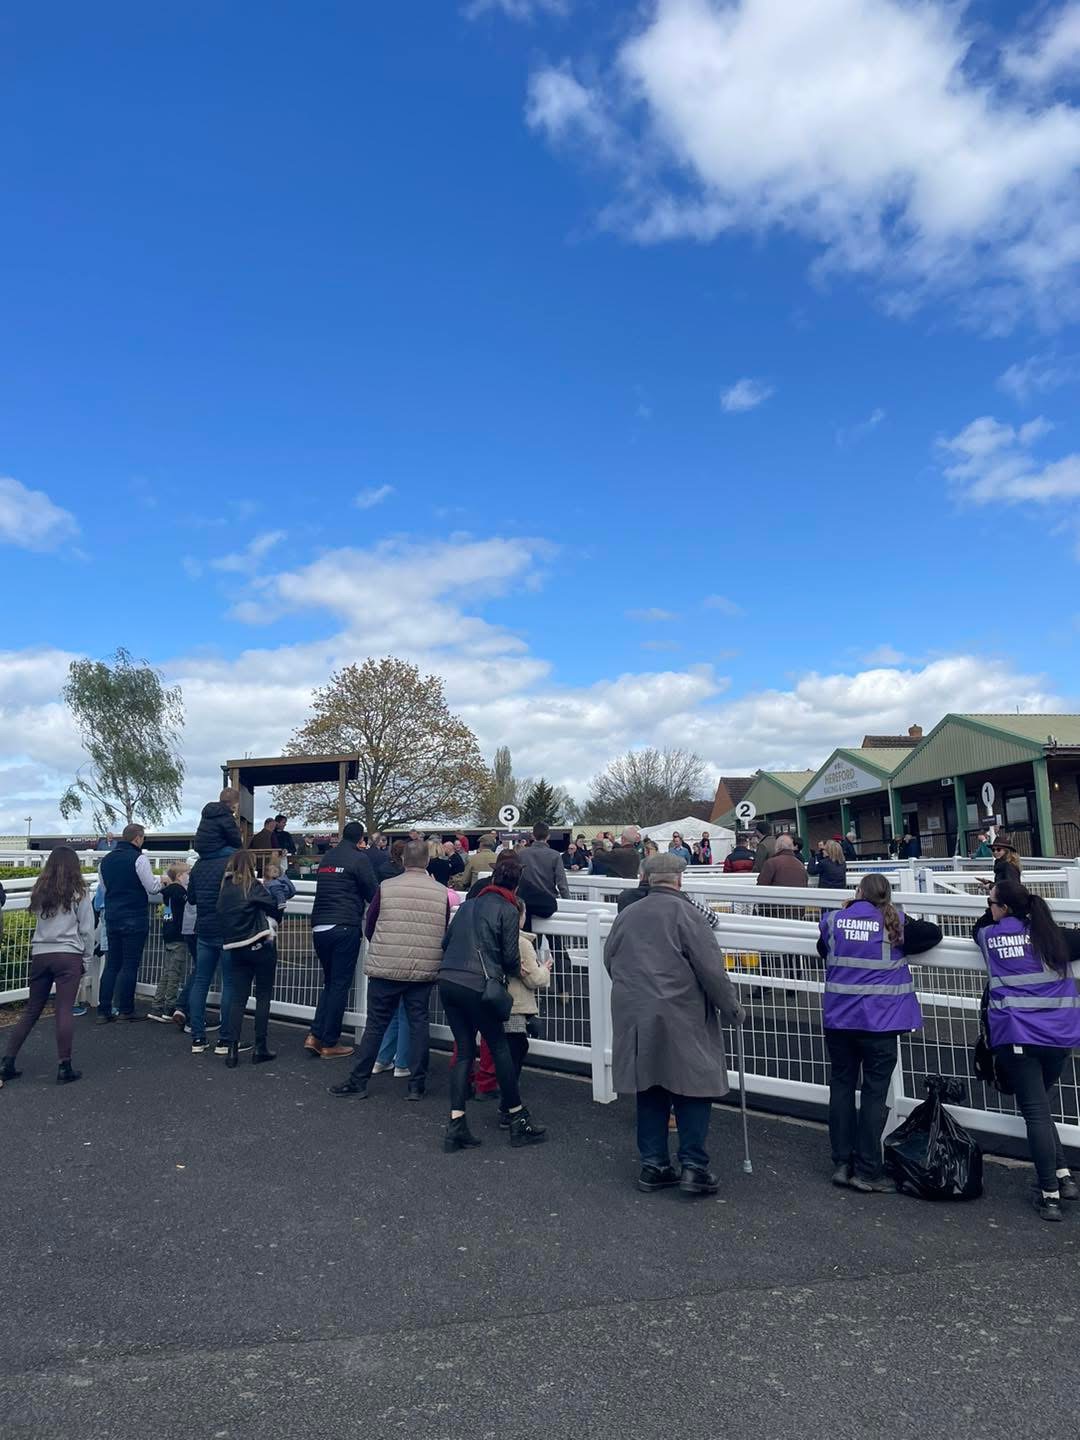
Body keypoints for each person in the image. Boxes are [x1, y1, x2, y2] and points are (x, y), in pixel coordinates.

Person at [604, 853, 744, 1196]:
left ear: (647, 879)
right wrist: (732, 1008)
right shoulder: (688, 914)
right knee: (693, 1086)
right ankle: (694, 1167)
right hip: (683, 1012)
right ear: (679, 880)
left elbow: (610, 959)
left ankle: (654, 1165)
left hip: (637, 1012)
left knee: (649, 1086)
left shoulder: (627, 915)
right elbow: (711, 969)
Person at [818, 874, 942, 1192]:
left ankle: (841, 1163)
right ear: (886, 897)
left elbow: (823, 949)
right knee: (874, 1094)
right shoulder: (895, 922)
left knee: (842, 1088)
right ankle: (868, 1168)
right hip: (881, 1022)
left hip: (839, 1020)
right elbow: (932, 935)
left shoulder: (833, 920)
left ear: (858, 893)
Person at [973, 880, 1080, 1220]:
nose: (989, 907)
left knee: (1034, 1111)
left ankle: (1049, 1193)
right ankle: (1063, 1177)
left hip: (1018, 1035)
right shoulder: (1051, 936)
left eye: (991, 902)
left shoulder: (990, 936)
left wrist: (993, 906)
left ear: (1002, 909)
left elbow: (981, 925)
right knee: (1041, 1106)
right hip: (1060, 1036)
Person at [438, 850, 546, 1151]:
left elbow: (446, 942)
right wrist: (519, 969)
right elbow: (511, 958)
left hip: (449, 979)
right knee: (499, 1046)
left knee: (462, 1053)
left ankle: (456, 1123)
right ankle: (516, 1119)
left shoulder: (469, 904)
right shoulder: (508, 909)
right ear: (517, 884)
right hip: (479, 985)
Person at [329, 840, 450, 1102]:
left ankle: (359, 1081)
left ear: (404, 861)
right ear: (427, 861)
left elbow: (370, 924)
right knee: (419, 1024)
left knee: (375, 1025)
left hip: (386, 965)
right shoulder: (441, 892)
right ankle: (416, 1085)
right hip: (423, 966)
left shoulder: (386, 887)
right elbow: (444, 931)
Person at [1, 847, 93, 1085]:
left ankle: (7, 1061)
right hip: (68, 954)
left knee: (32, 1010)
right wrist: (86, 960)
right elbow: (87, 930)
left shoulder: (40, 891)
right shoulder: (80, 892)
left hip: (41, 953)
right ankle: (64, 1066)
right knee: (63, 1010)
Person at [306, 822, 377, 1060]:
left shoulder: (327, 858)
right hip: (344, 925)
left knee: (330, 983)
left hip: (320, 926)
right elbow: (372, 892)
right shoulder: (359, 859)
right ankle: (329, 1041)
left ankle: (315, 1034)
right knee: (339, 985)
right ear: (360, 840)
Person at [217, 851, 280, 1066]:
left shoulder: (225, 888)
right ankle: (260, 1047)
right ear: (251, 865)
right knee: (263, 996)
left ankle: (232, 1050)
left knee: (237, 998)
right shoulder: (251, 885)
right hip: (260, 944)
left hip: (235, 947)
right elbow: (272, 904)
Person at [97, 823, 163, 1023]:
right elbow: (151, 887)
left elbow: (104, 888)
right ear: (137, 838)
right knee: (130, 964)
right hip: (134, 915)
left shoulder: (105, 861)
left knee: (112, 965)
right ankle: (126, 1009)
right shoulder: (139, 858)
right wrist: (165, 882)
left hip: (113, 915)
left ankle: (103, 1010)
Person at [175, 851, 238, 1056]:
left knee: (201, 980)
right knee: (229, 982)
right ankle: (225, 1039)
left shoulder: (200, 865)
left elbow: (191, 898)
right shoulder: (230, 861)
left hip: (203, 928)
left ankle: (198, 1037)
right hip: (226, 929)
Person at [499, 912, 551, 1127]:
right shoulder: (522, 942)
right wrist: (544, 970)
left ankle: (507, 1106)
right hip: (517, 1004)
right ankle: (509, 1108)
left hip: (498, 1000)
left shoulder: (496, 935)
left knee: (508, 1051)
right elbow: (533, 979)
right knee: (515, 1053)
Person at [149, 862, 191, 1022]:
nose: (189, 877)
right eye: (187, 874)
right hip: (179, 935)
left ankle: (157, 1005)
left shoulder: (167, 893)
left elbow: (168, 914)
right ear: (180, 876)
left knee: (166, 972)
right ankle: (169, 1007)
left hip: (168, 933)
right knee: (175, 972)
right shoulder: (180, 892)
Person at [193, 789, 242, 858]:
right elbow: (234, 839)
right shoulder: (226, 816)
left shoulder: (211, 811)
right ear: (234, 805)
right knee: (241, 854)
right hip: (214, 850)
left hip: (201, 850)